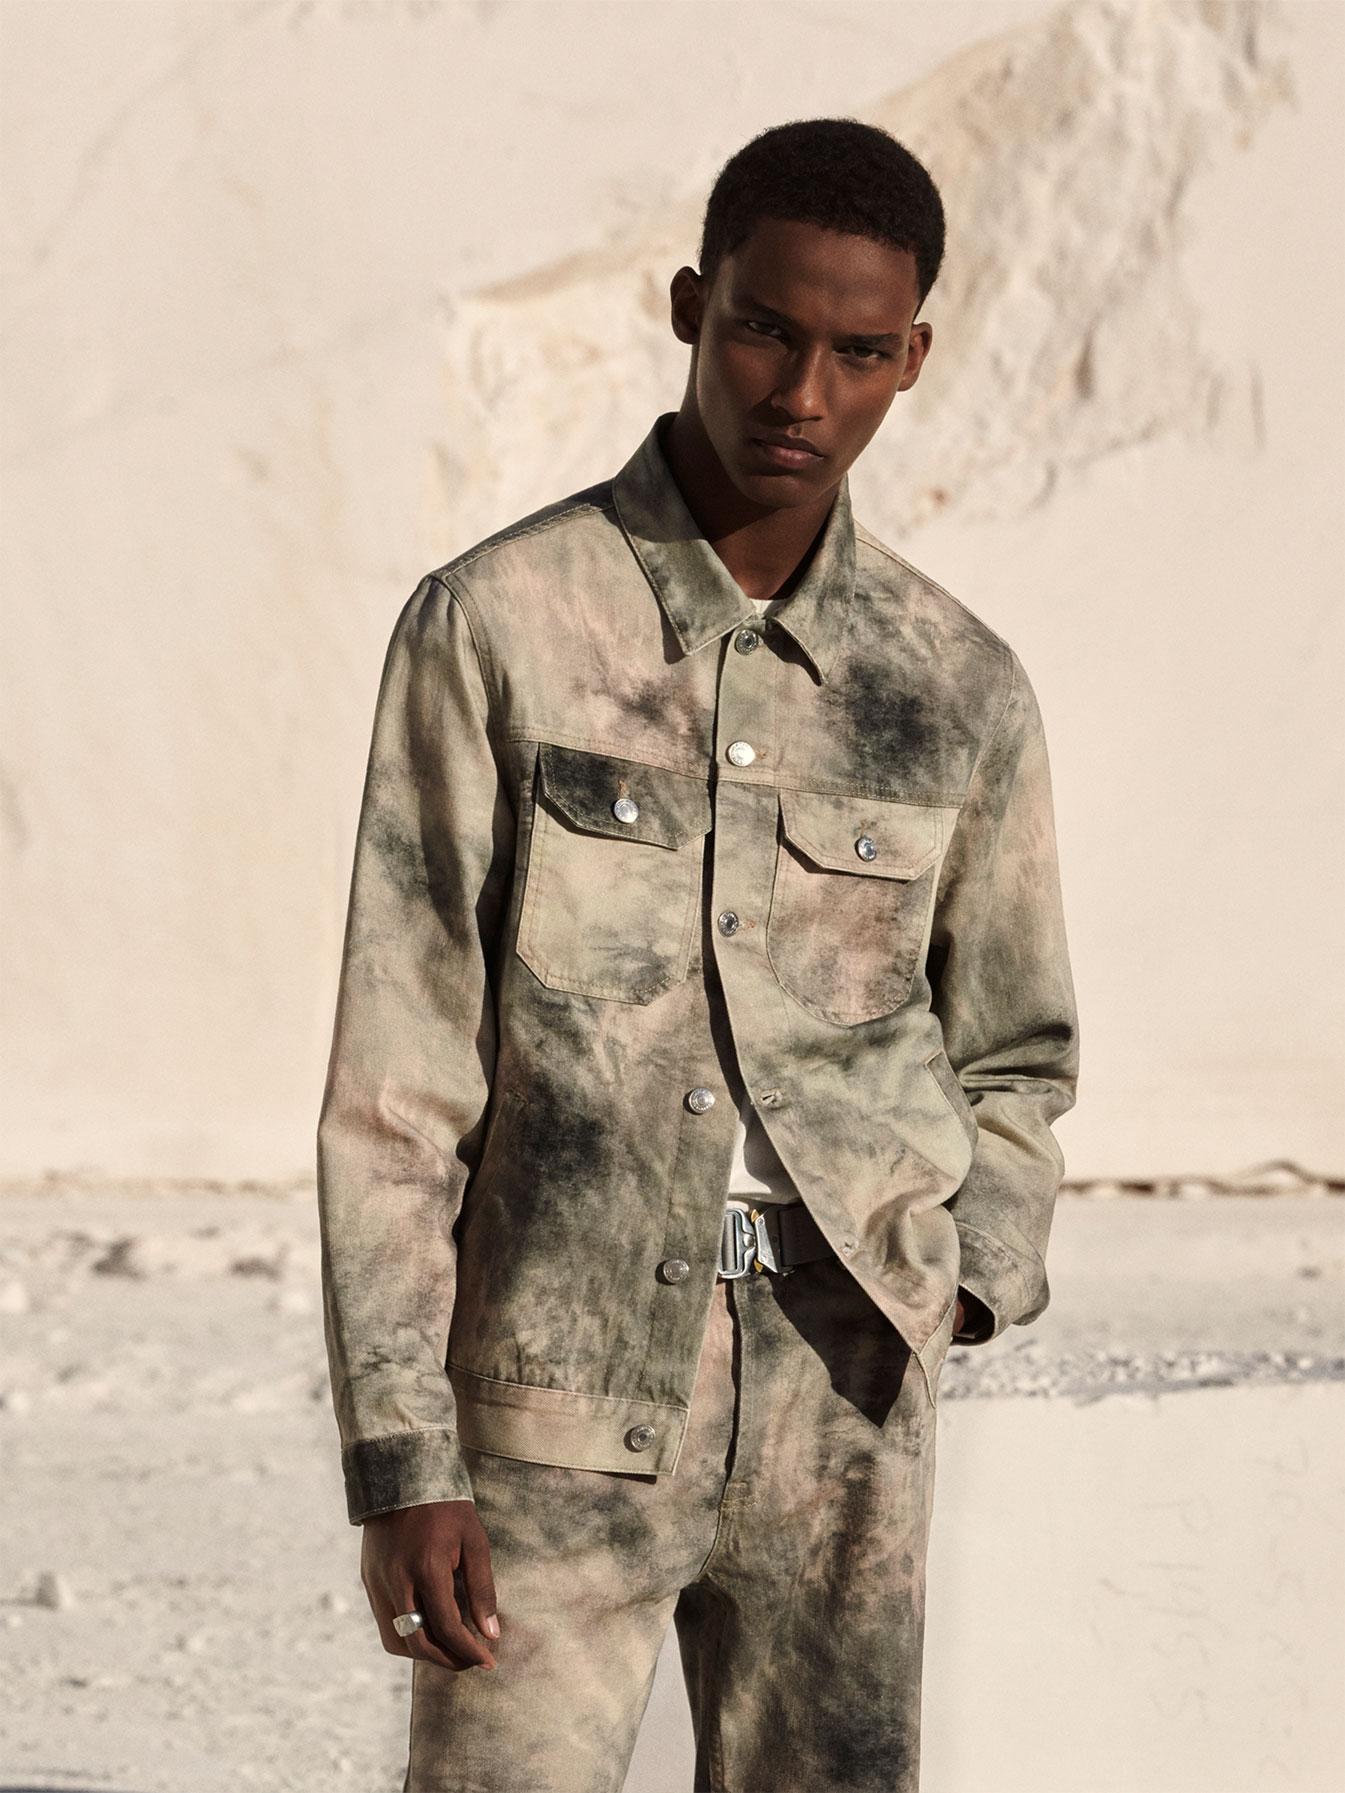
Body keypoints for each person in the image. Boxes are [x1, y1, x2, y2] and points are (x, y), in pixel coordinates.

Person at [317, 117, 1078, 1793]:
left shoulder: (955, 687)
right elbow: (397, 1083)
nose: (801, 392)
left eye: (856, 352)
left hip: (843, 1404)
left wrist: (962, 1270)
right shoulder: (499, 624)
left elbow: (1013, 1048)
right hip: (550, 1396)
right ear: (689, 305)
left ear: (911, 359)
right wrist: (402, 1456)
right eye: (763, 330)